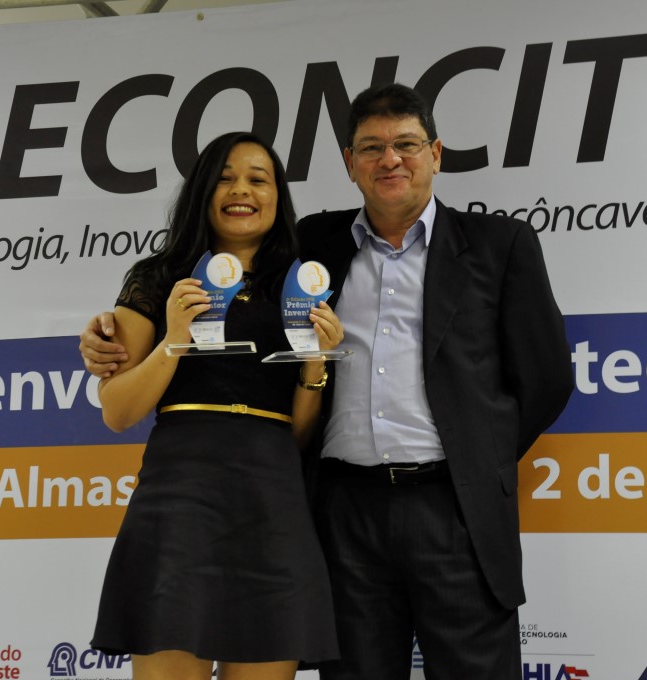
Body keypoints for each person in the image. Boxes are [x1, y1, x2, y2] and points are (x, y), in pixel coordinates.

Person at [81, 84, 574, 680]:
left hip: (445, 508)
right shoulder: (313, 247)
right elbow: (134, 380)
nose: (390, 160)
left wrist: (476, 459)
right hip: (336, 510)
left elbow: (547, 378)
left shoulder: (497, 246)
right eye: (371, 147)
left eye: (406, 144)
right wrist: (111, 337)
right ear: (349, 162)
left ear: (436, 153)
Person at [88, 131, 342, 680]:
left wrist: (314, 365)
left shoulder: (301, 287)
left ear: (278, 197)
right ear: (202, 193)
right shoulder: (160, 278)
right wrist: (174, 339)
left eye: (257, 179)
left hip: (274, 502)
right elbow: (117, 411)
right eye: (225, 179)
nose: (241, 190)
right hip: (180, 500)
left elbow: (300, 437)